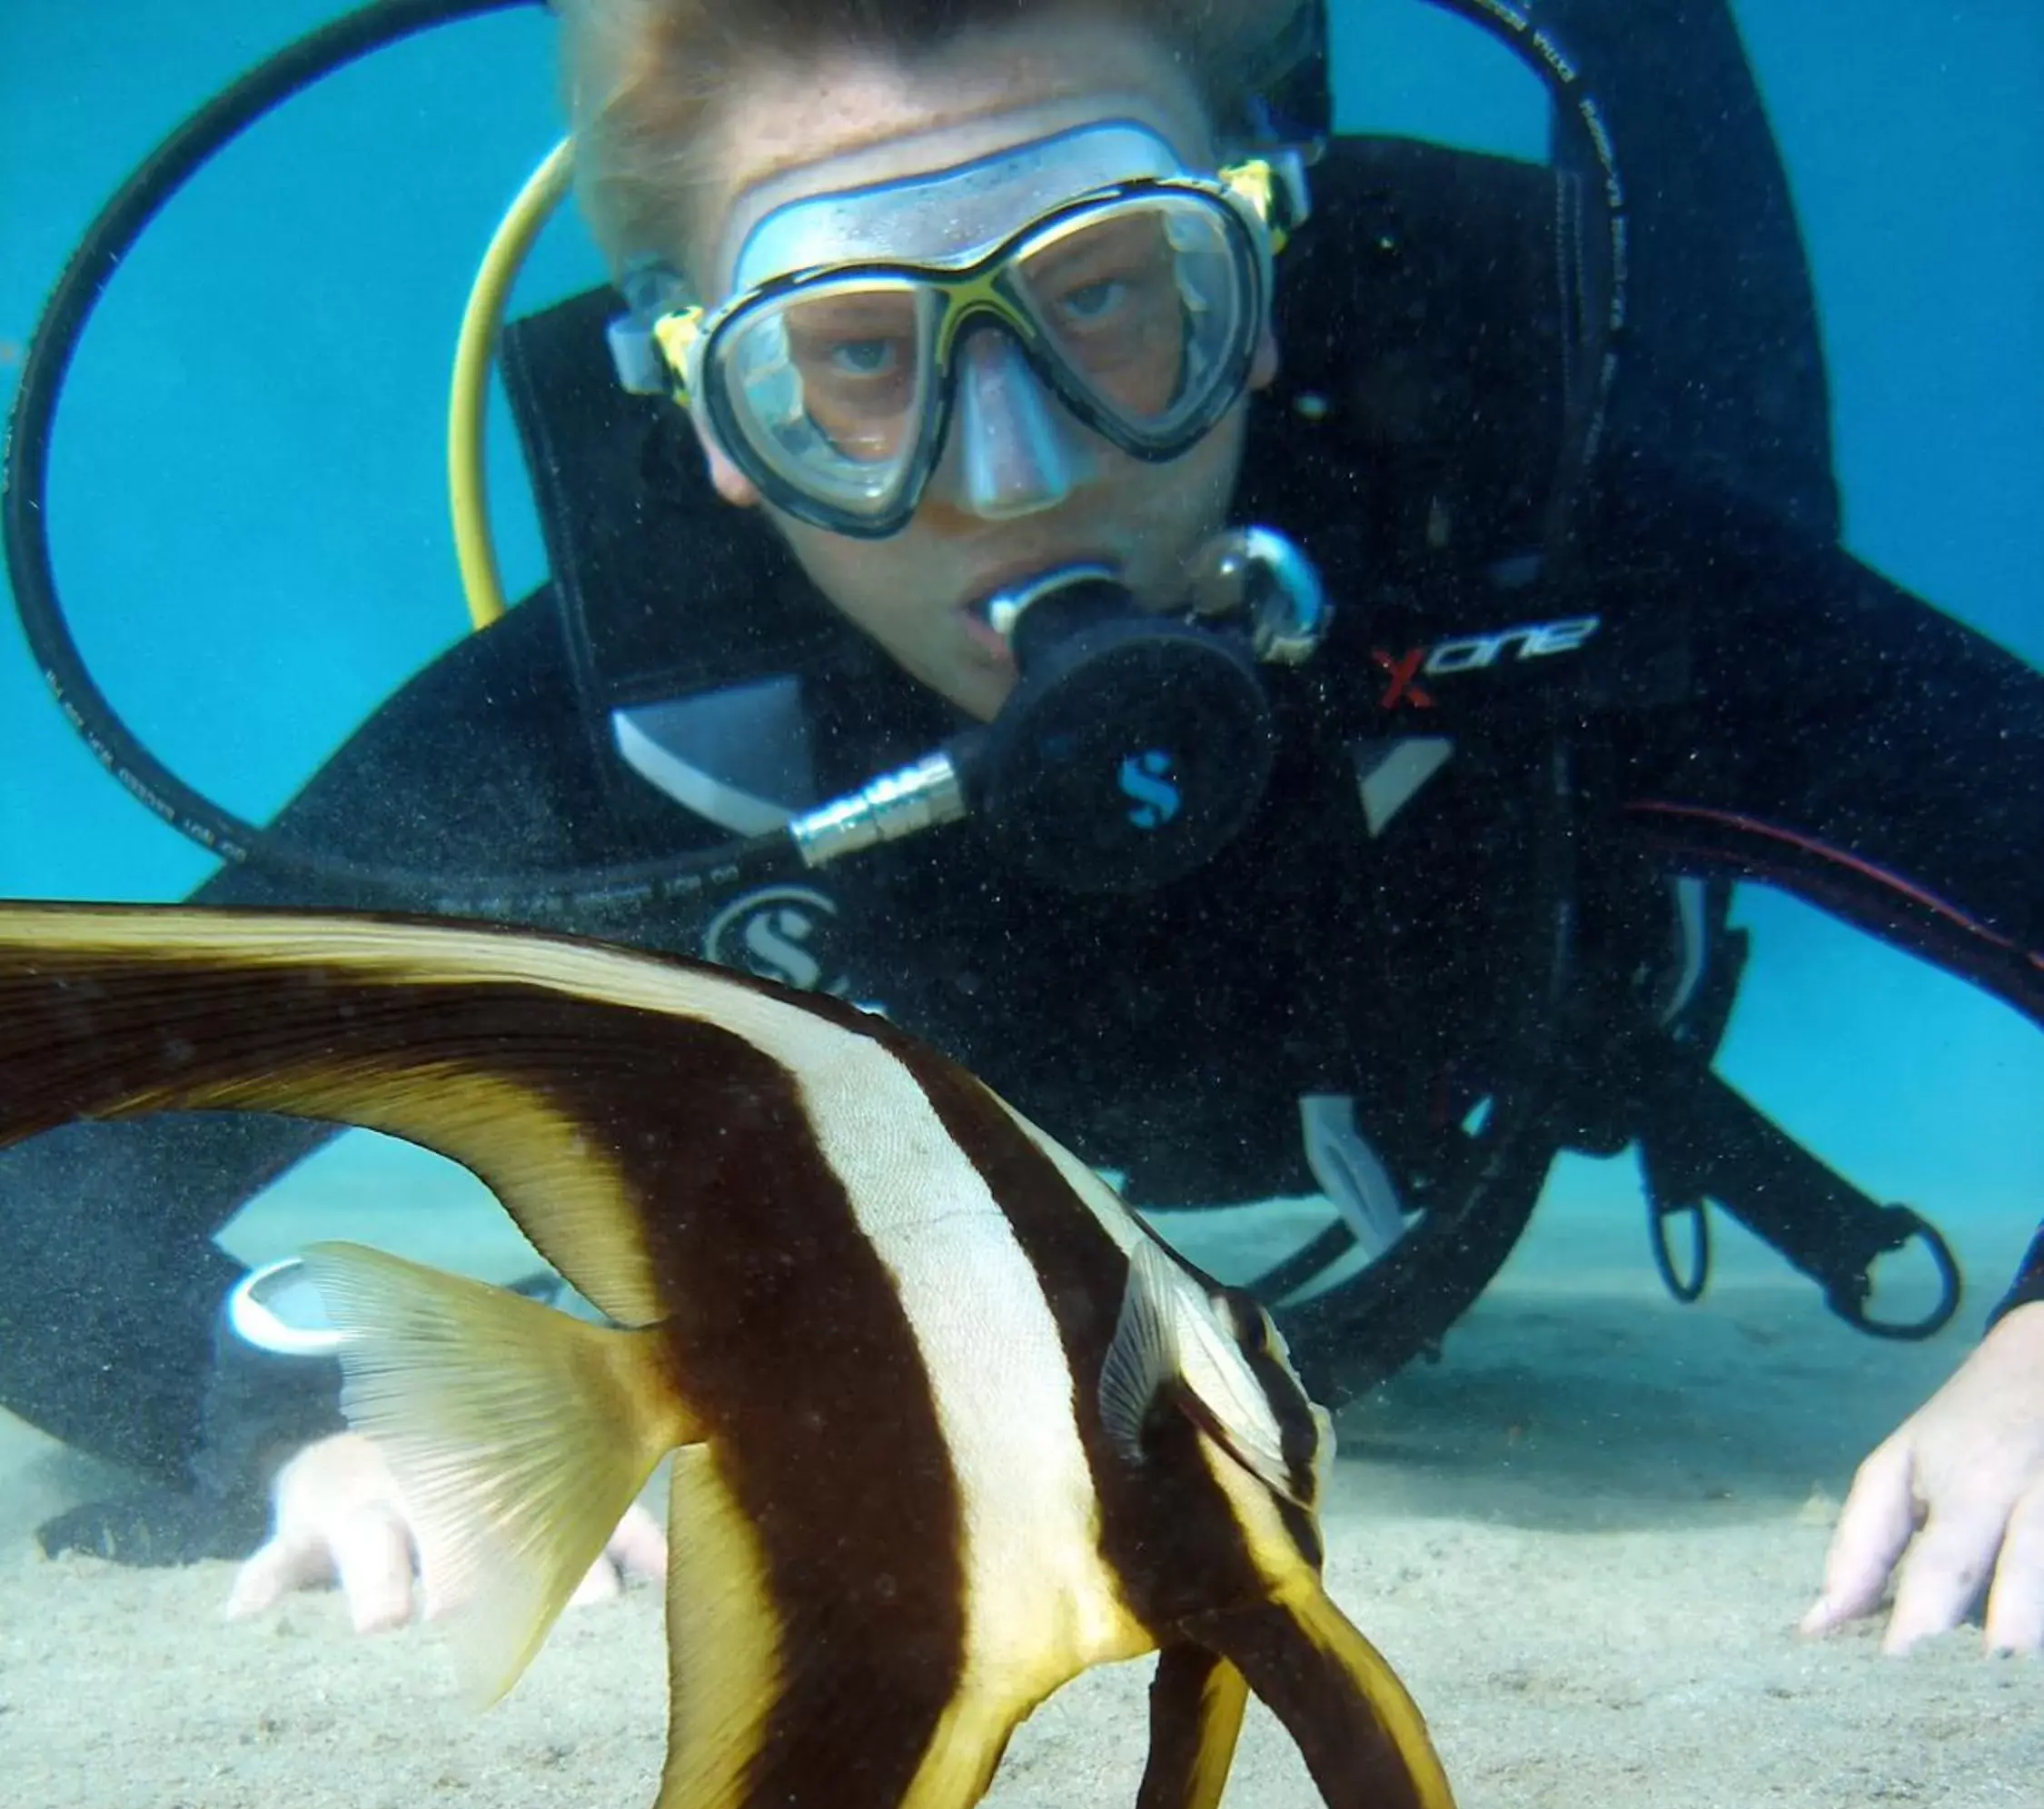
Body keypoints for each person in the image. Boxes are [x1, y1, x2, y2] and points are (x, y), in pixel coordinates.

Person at [2, 0, 2039, 1652]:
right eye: (857, 361)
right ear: (713, 419)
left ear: (1261, 272)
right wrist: (296, 1415)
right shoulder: (620, 735)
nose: (1019, 472)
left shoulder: (1545, 569)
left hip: (1574, 912)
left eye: (1113, 292)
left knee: (1734, 444)